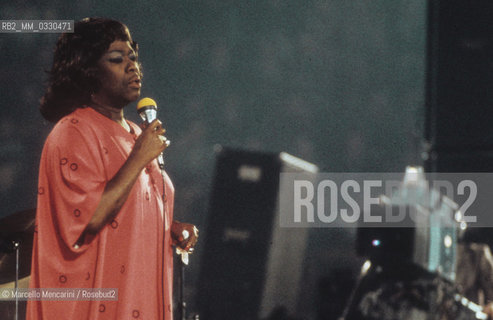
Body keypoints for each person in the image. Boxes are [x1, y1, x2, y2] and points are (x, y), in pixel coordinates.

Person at [27, 17, 198, 320]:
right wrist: (138, 157)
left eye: (133, 56)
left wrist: (166, 229)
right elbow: (88, 218)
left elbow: (126, 208)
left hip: (141, 297)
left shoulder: (136, 132)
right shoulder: (73, 131)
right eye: (117, 59)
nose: (132, 66)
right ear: (88, 72)